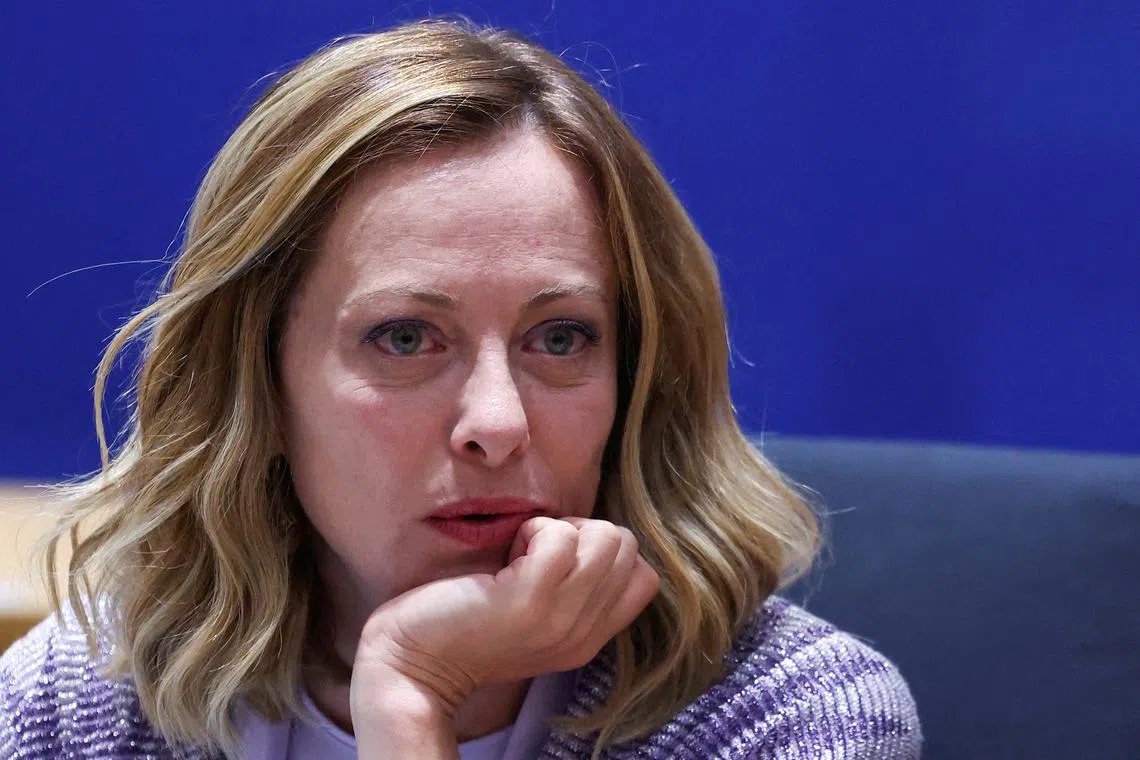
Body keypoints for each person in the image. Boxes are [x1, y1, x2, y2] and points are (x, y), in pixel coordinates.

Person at [0, 18, 922, 760]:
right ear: (261, 389)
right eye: (405, 338)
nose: (497, 424)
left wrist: (408, 693)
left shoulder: (788, 720)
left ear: (632, 378)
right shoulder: (88, 700)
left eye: (560, 338)